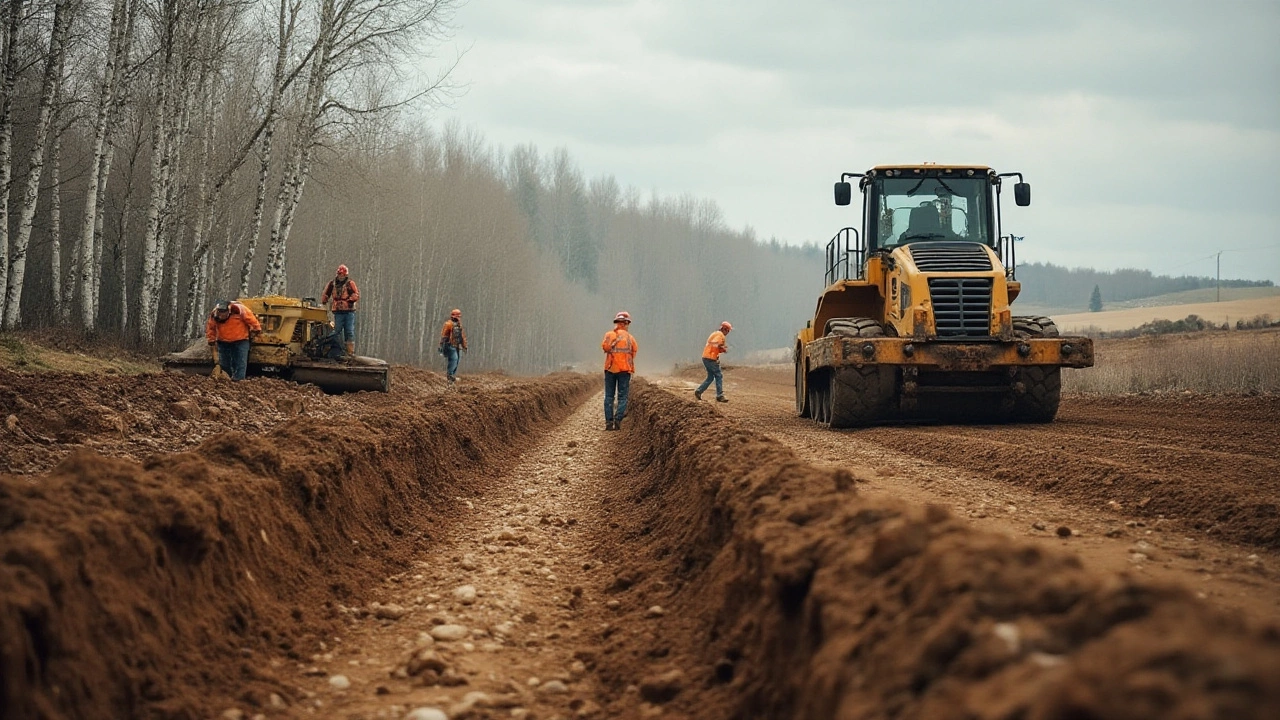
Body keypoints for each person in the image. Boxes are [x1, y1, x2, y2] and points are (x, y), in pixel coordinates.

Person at [205, 300, 262, 381]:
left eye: (223, 314)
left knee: (240, 362)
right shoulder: (214, 314)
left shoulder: (240, 310)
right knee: (224, 363)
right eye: (220, 314)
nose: (221, 317)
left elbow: (251, 319)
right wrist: (211, 339)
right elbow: (211, 327)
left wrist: (256, 329)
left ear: (228, 311)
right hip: (223, 341)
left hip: (241, 340)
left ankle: (239, 380)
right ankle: (226, 378)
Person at [601, 311, 638, 431]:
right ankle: (618, 420)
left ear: (616, 322)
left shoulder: (609, 335)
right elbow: (634, 352)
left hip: (610, 369)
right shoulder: (630, 338)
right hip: (625, 370)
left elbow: (605, 347)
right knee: (622, 397)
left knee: (609, 397)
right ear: (626, 323)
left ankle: (608, 423)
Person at [322, 264, 360, 358]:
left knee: (349, 331)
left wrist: (351, 299)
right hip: (338, 311)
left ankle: (350, 353)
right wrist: (324, 300)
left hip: (349, 311)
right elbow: (326, 293)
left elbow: (356, 294)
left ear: (346, 275)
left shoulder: (350, 283)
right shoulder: (332, 284)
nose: (341, 276)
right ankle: (327, 346)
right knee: (336, 330)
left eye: (342, 275)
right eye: (339, 274)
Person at [695, 321, 732, 402]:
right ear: (725, 329)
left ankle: (699, 391)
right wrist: (722, 347)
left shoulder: (714, 333)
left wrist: (720, 349)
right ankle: (720, 395)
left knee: (711, 377)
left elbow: (713, 345)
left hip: (705, 357)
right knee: (718, 375)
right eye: (728, 331)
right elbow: (716, 343)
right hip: (711, 358)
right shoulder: (720, 335)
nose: (728, 333)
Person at [439, 308, 468, 384]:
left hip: (457, 346)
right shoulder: (448, 324)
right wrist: (441, 346)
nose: (458, 318)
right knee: (454, 360)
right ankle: (450, 376)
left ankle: (452, 376)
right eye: (457, 316)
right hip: (450, 345)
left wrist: (464, 346)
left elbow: (462, 336)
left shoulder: (459, 325)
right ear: (453, 316)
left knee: (457, 360)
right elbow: (444, 336)